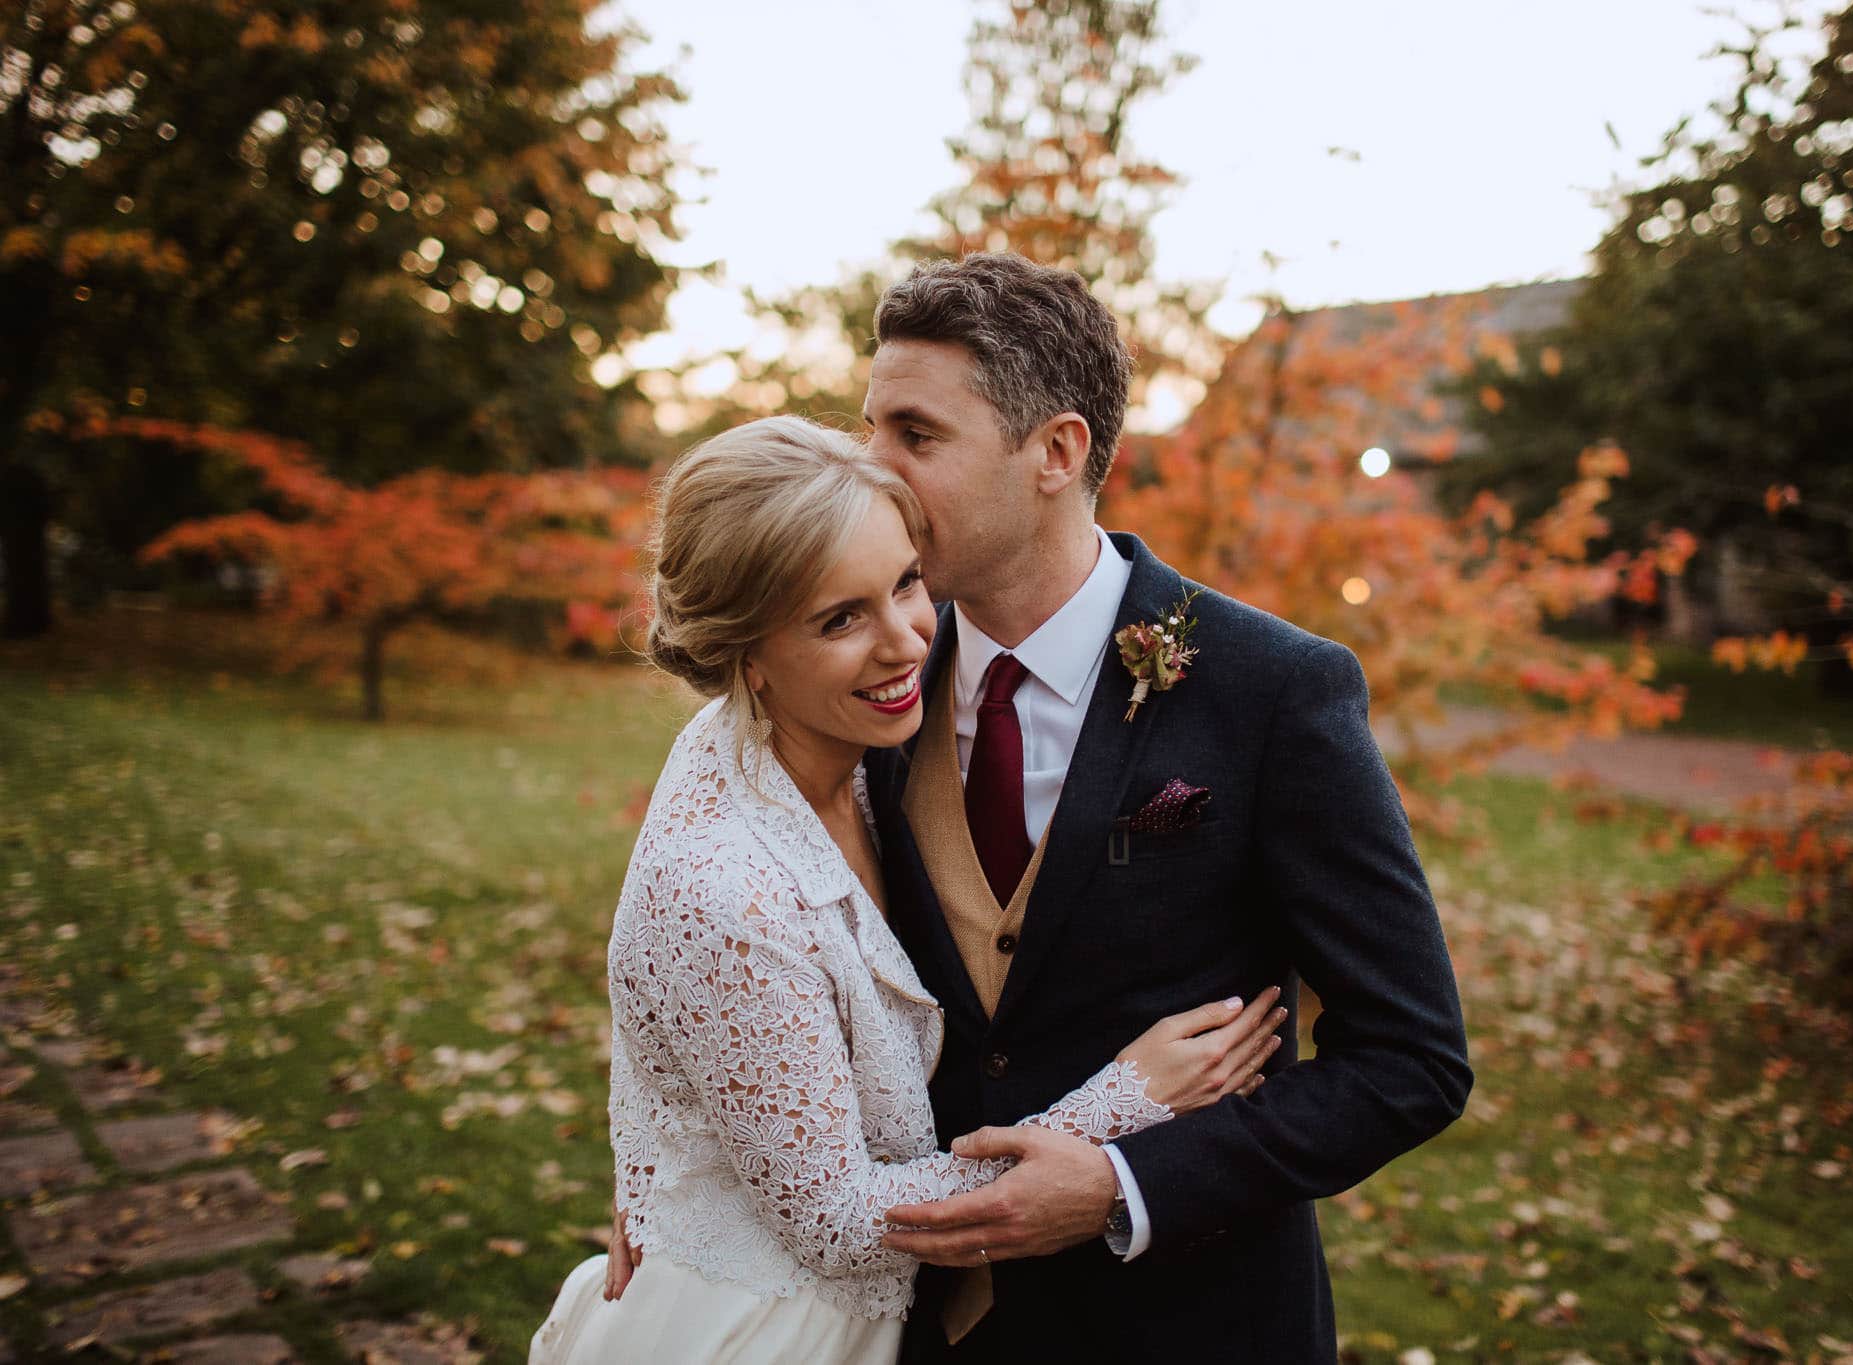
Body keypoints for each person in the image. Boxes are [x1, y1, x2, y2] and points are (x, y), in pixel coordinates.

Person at [529, 416, 1285, 1365]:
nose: (908, 642)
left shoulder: (846, 754)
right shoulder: (726, 886)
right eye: (839, 619)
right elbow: (840, 1220)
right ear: (744, 656)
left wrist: (671, 1161)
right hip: (765, 1335)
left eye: (904, 583)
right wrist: (1122, 1101)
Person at [852, 253, 1473, 1363]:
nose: (871, 472)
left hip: (1192, 1322)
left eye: (915, 435)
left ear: (1055, 452)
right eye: (867, 430)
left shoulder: (1270, 690)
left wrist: (1116, 1183)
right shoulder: (869, 681)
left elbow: (1411, 1060)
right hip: (927, 1326)